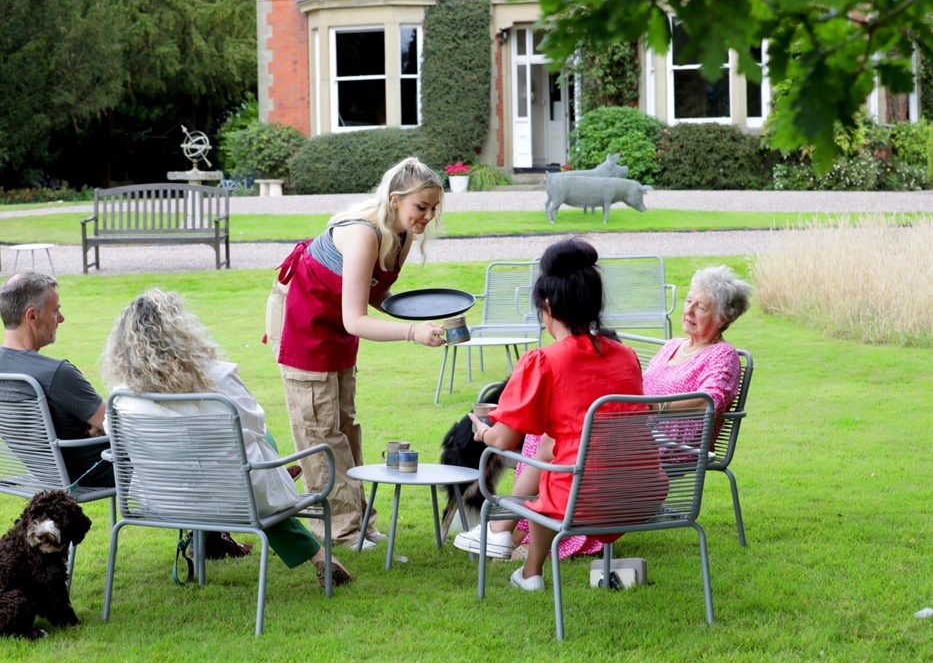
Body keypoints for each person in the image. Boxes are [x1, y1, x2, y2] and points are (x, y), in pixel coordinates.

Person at [101, 289, 354, 587]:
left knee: (231, 464)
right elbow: (255, 425)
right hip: (237, 497)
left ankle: (270, 505)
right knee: (255, 451)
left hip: (164, 501)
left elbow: (113, 435)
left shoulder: (122, 396)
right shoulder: (216, 377)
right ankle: (315, 548)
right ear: (182, 329)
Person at [454, 238, 663, 591]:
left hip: (584, 498)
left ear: (547, 305)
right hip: (642, 493)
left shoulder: (543, 361)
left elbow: (504, 438)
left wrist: (482, 432)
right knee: (556, 455)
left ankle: (531, 572)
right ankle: (527, 569)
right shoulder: (626, 356)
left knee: (552, 483)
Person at [265, 157, 446, 548]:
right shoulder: (365, 233)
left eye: (434, 208)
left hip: (340, 319)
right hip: (305, 319)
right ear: (396, 200)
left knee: (344, 426)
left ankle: (360, 521)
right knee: (320, 430)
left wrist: (424, 316)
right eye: (422, 207)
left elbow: (375, 293)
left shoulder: (403, 233)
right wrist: (413, 333)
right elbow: (356, 318)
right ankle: (341, 531)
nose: (428, 216)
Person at [0, 270, 113, 488]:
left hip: (44, 471)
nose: (61, 318)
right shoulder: (57, 374)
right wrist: (97, 427)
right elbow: (116, 426)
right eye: (56, 311)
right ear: (31, 316)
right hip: (93, 472)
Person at [642, 265, 752, 445]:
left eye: (700, 307)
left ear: (722, 319)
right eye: (688, 301)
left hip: (672, 447)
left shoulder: (723, 355)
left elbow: (709, 401)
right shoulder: (672, 345)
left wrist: (655, 408)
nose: (688, 311)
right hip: (637, 436)